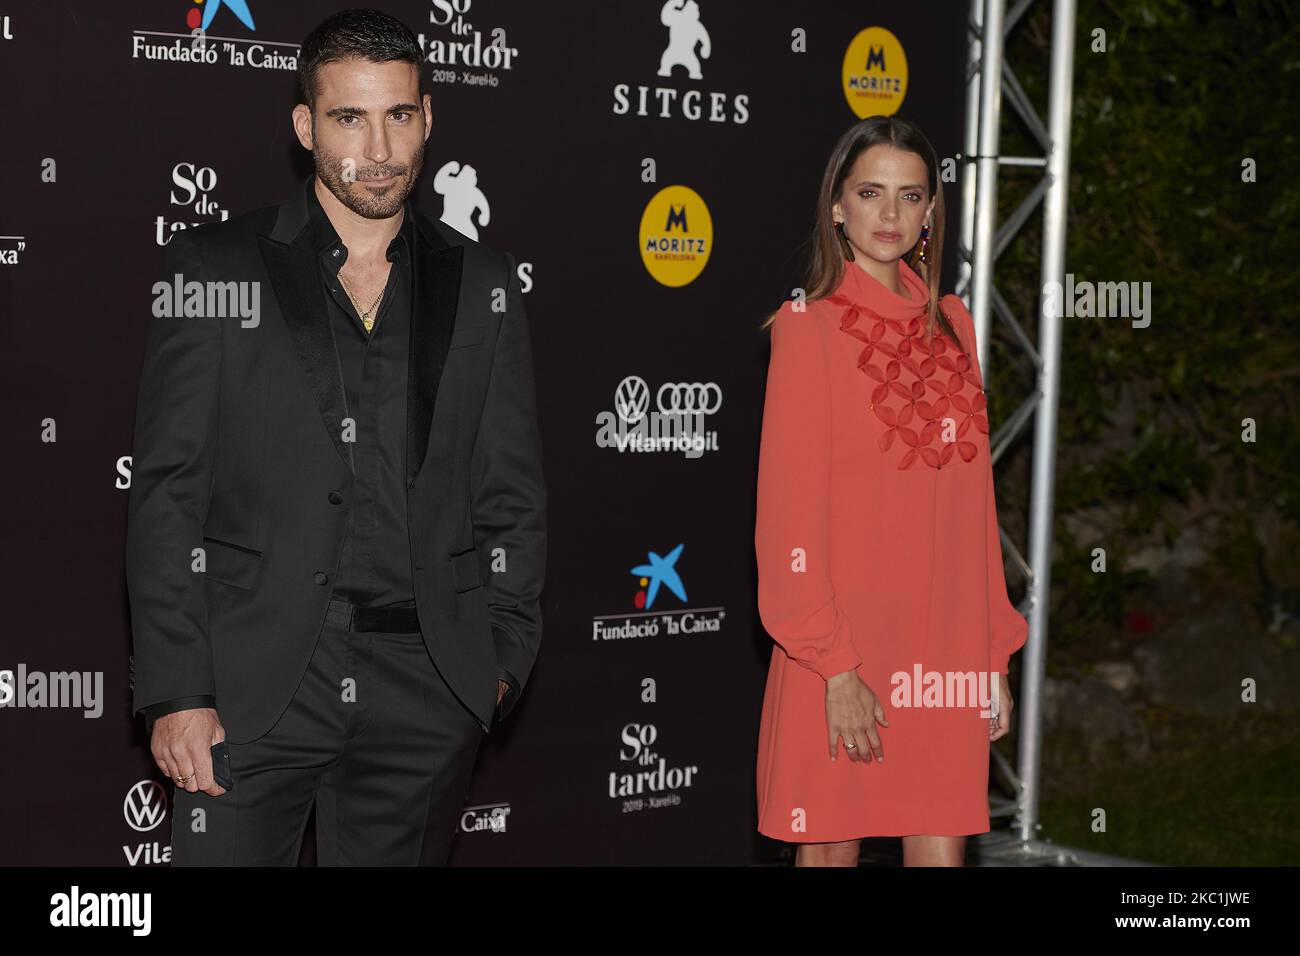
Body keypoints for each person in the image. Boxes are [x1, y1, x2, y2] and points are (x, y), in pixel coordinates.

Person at [124, 8, 546, 865]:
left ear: (428, 116)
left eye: (398, 115)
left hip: (428, 687)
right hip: (250, 686)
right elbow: (166, 494)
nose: (378, 148)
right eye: (350, 117)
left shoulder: (484, 283)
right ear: (304, 126)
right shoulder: (212, 268)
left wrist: (495, 662)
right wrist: (177, 691)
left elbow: (511, 492)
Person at [753, 115, 1028, 867]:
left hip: (943, 648)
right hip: (840, 648)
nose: (890, 215)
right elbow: (787, 518)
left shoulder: (959, 327)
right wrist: (833, 665)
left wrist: (990, 655)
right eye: (870, 193)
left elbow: (975, 511)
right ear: (836, 206)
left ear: (932, 210)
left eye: (910, 197)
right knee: (831, 852)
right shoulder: (808, 329)